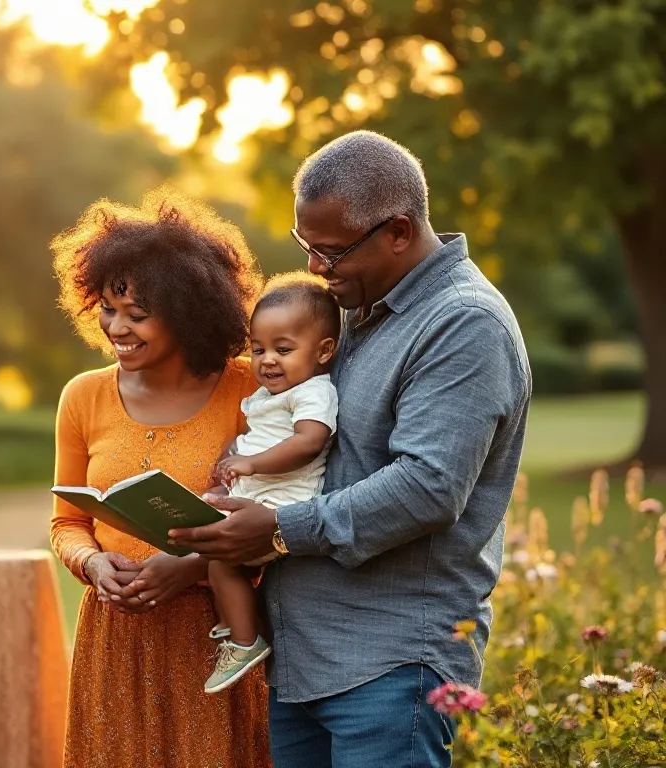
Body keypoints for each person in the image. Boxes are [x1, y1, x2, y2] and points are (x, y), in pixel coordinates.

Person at [169, 131, 531, 768]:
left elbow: (426, 486)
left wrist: (278, 529)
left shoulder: (462, 322)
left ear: (396, 231)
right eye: (308, 247)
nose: (315, 268)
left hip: (391, 665)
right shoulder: (355, 309)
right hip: (307, 659)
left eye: (332, 252)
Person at [49, 188, 273, 768]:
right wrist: (93, 565)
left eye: (137, 315)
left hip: (220, 636)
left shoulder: (250, 389)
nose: (115, 328)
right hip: (113, 639)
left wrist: (190, 568)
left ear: (187, 311)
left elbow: (287, 515)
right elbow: (68, 521)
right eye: (106, 307)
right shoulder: (83, 396)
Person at [202, 273, 340, 694]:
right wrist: (232, 455)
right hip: (260, 488)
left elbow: (308, 442)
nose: (267, 361)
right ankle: (234, 619)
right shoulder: (268, 396)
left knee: (221, 561)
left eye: (283, 349)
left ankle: (245, 640)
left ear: (324, 351)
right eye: (258, 349)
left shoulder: (314, 392)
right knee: (209, 537)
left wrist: (249, 463)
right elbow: (256, 432)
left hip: (283, 500)